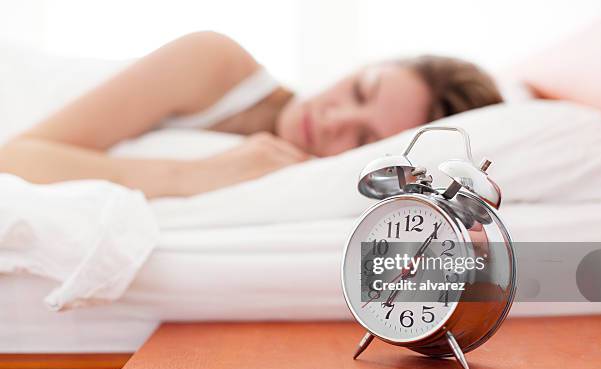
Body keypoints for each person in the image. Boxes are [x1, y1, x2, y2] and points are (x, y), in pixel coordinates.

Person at [0, 32, 502, 198]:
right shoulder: (214, 61)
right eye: (358, 89)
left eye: (362, 136)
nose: (334, 118)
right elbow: (14, 157)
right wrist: (199, 176)